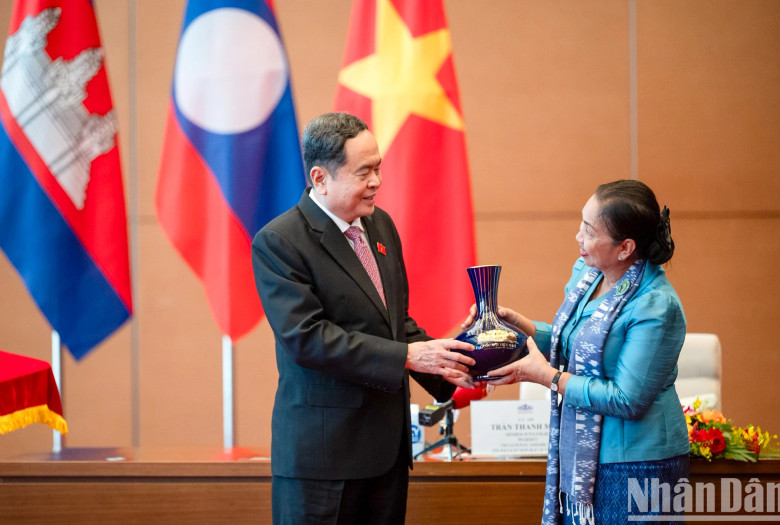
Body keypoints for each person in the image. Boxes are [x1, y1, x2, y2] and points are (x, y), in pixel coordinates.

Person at [252, 112, 475, 525]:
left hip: (386, 455)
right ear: (320, 178)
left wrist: (450, 369)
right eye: (364, 171)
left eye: (379, 168)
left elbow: (394, 323)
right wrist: (409, 357)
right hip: (323, 461)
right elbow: (308, 338)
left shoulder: (380, 225)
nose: (377, 181)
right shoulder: (280, 242)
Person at [467, 180, 689, 524]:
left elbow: (627, 399)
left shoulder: (656, 305)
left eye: (589, 230)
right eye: (580, 224)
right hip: (582, 456)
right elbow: (569, 343)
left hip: (638, 463)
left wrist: (549, 378)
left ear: (625, 247)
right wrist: (518, 324)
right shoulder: (588, 274)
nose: (578, 238)